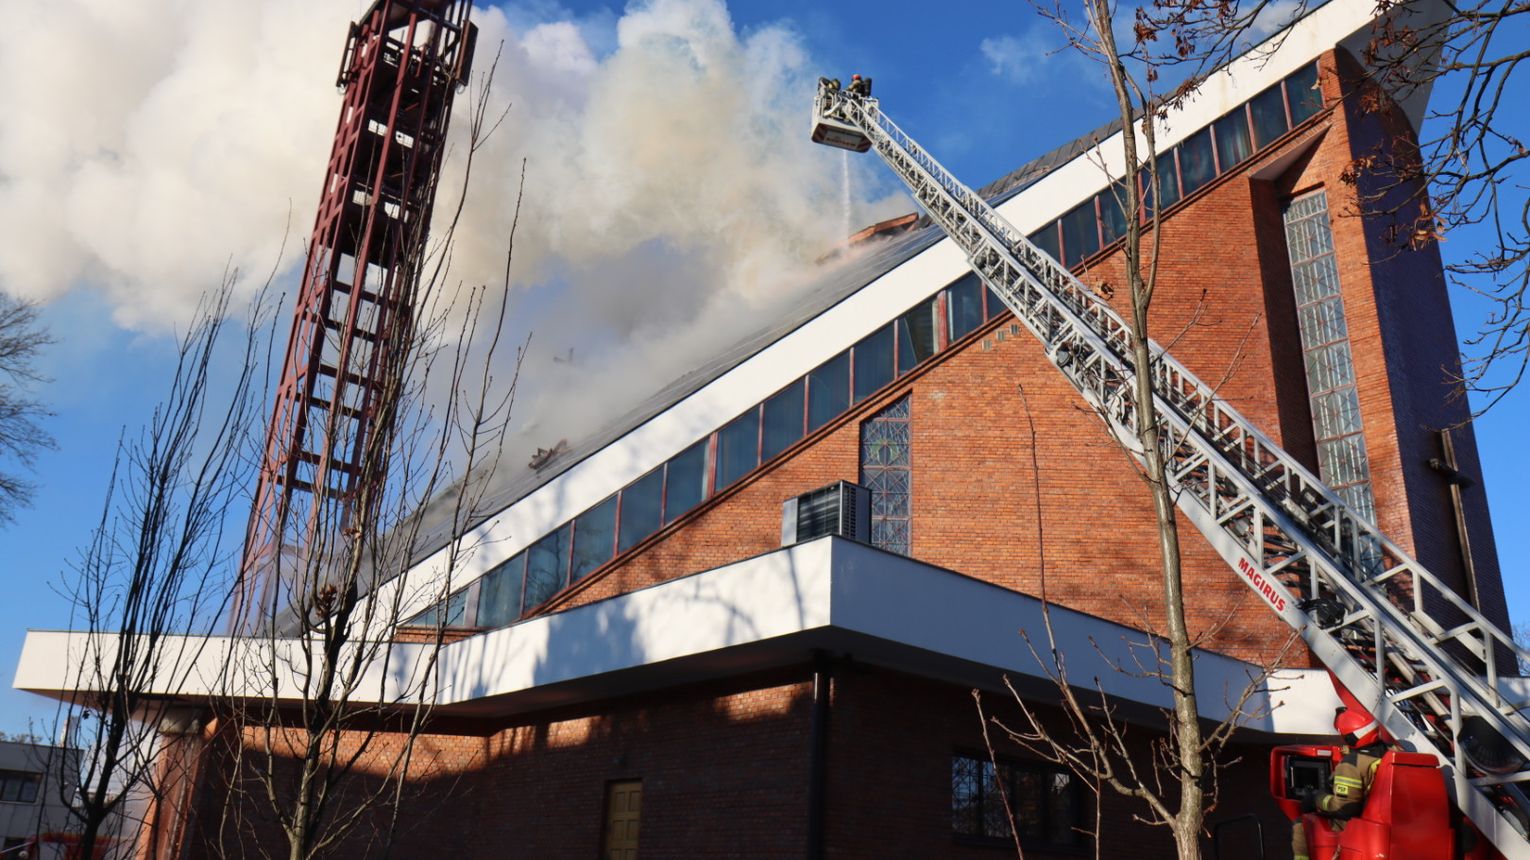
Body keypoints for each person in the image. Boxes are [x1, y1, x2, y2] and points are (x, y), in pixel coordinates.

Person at [1291, 709, 1390, 860]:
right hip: (1385, 825)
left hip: (1357, 825)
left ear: (1349, 737)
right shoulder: (1390, 754)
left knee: (1301, 824)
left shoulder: (1352, 764)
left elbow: (1345, 807)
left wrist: (1315, 799)